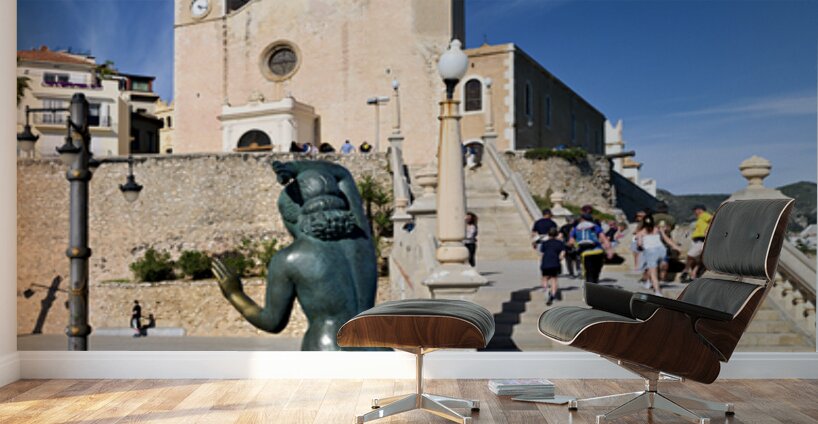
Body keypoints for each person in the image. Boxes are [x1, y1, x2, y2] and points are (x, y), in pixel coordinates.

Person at [636, 215, 681, 296]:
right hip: (651, 253)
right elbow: (639, 244)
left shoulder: (657, 229)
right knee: (654, 272)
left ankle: (648, 282)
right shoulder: (641, 233)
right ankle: (657, 290)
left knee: (659, 267)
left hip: (660, 251)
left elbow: (666, 239)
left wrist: (675, 246)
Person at [569, 213, 613, 284]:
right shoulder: (595, 226)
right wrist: (609, 251)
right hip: (598, 251)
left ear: (582, 219)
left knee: (588, 272)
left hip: (585, 253)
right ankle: (595, 283)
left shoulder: (576, 228)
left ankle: (591, 289)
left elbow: (571, 242)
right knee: (596, 272)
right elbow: (604, 239)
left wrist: (574, 246)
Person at [681, 204, 712, 282]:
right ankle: (693, 275)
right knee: (698, 260)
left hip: (701, 240)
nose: (694, 212)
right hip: (698, 240)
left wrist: (707, 230)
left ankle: (686, 270)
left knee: (690, 255)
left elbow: (712, 220)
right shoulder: (700, 218)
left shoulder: (704, 215)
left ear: (699, 210)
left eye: (695, 210)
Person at [539, 227, 565, 306]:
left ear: (548, 234)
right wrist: (559, 259)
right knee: (554, 279)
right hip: (555, 262)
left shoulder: (544, 243)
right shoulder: (560, 243)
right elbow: (562, 254)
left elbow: (542, 254)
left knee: (545, 278)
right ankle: (552, 295)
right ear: (557, 234)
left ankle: (546, 292)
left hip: (545, 262)